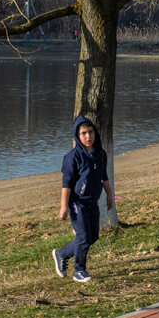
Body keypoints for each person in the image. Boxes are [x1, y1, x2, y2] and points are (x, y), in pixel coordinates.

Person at [53, 116, 114, 283]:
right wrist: (63, 207)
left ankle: (62, 253)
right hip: (77, 203)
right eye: (84, 133)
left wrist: (109, 194)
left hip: (92, 202)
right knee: (83, 236)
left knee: (93, 236)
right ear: (77, 136)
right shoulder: (73, 157)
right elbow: (66, 184)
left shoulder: (100, 154)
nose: (88, 136)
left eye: (90, 132)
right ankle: (79, 270)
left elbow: (103, 176)